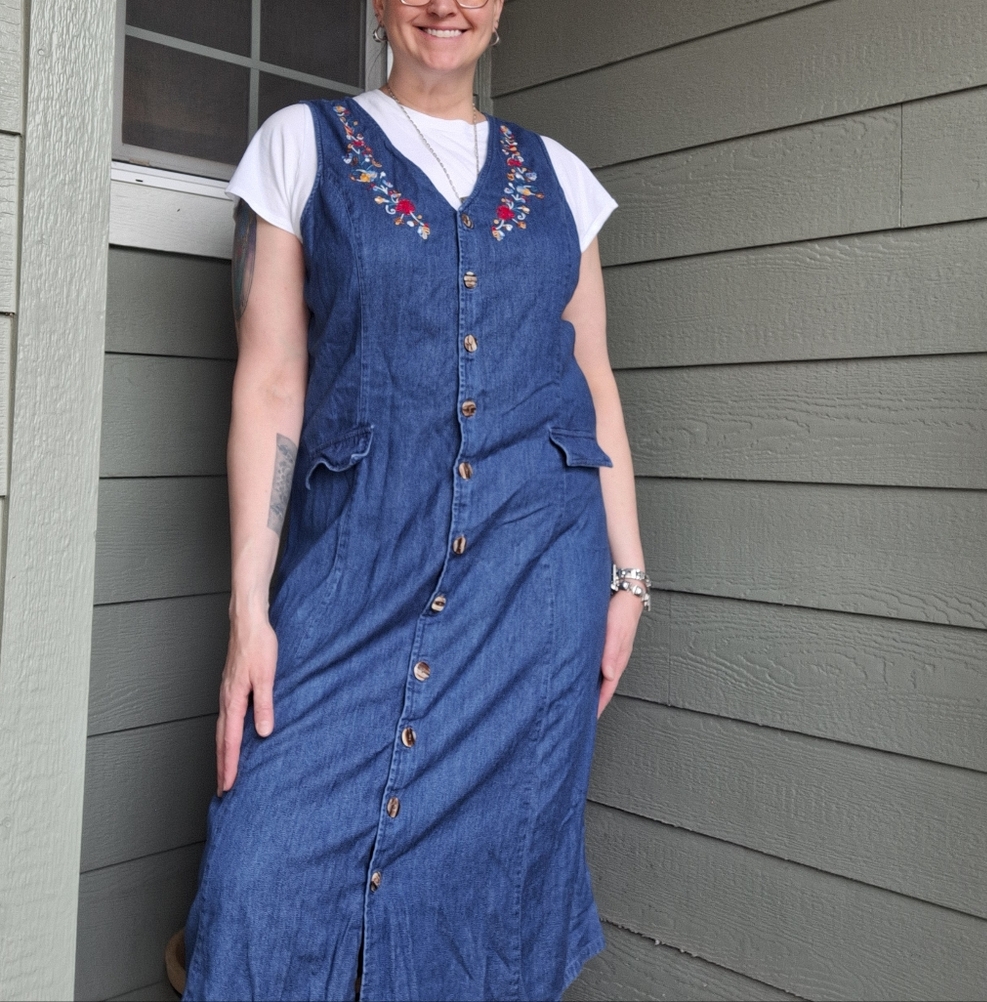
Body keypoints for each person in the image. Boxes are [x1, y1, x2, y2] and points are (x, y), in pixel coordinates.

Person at [180, 0, 648, 999]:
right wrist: (249, 609)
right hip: (359, 566)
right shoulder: (299, 150)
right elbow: (270, 381)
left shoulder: (561, 180)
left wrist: (628, 579)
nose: (448, 6)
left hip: (536, 588)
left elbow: (595, 382)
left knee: (486, 896)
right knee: (261, 869)